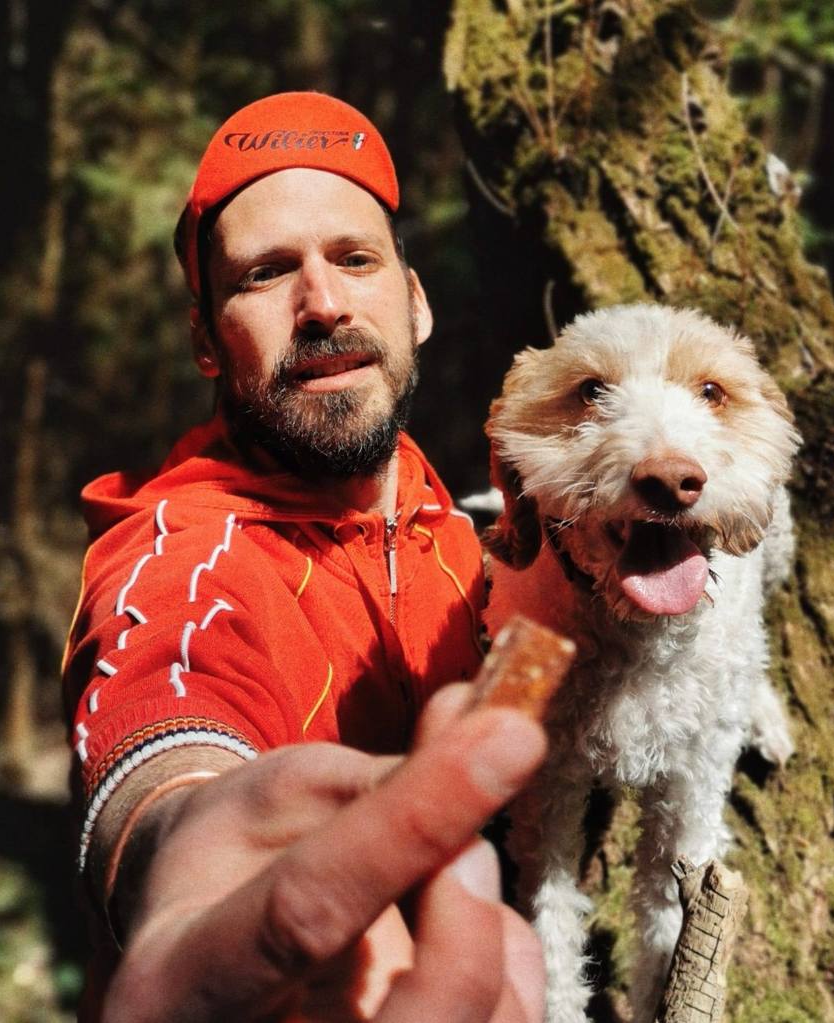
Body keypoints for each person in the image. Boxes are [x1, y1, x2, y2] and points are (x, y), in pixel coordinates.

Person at [62, 92, 549, 1022]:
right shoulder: (183, 557)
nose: (322, 303)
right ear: (206, 338)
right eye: (264, 274)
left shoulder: (462, 535)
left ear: (414, 301)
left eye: (354, 259)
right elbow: (165, 721)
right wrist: (181, 859)